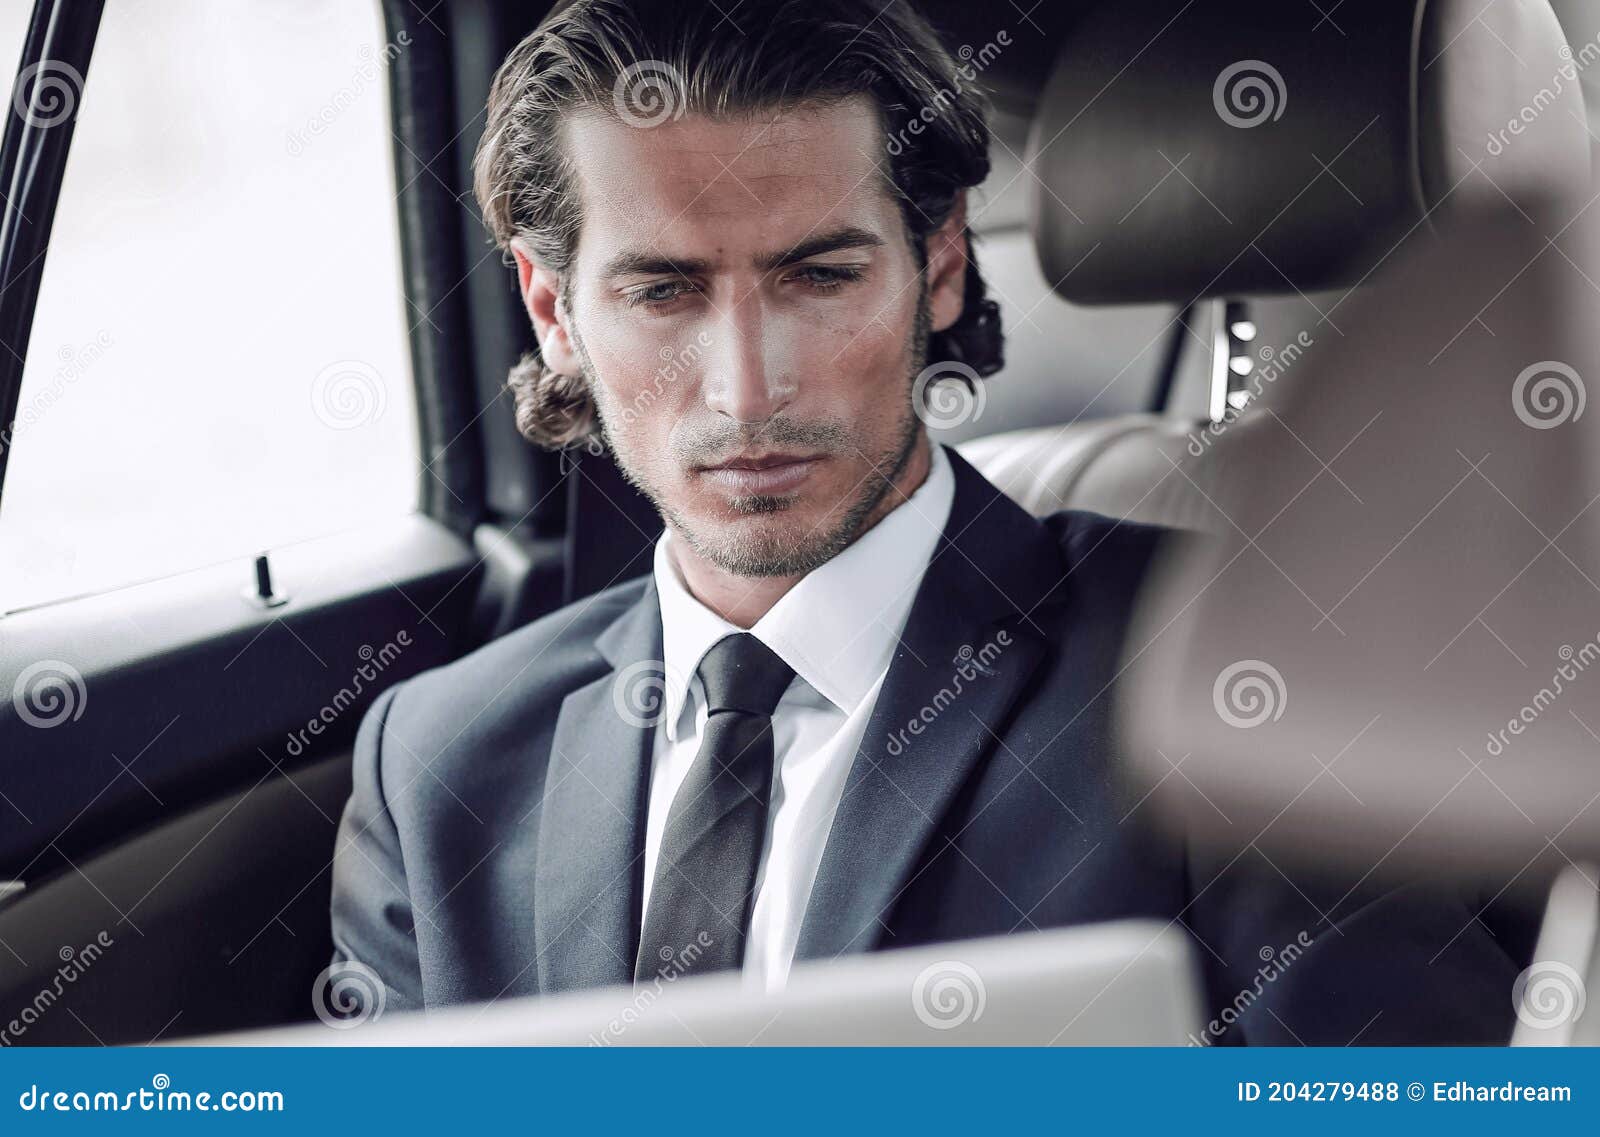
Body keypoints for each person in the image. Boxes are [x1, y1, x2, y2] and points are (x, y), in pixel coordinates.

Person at [329, 0, 1530, 1043]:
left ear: (939, 266)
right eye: (662, 290)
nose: (749, 389)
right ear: (554, 312)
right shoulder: (435, 763)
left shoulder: (1258, 689)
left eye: (820, 275)